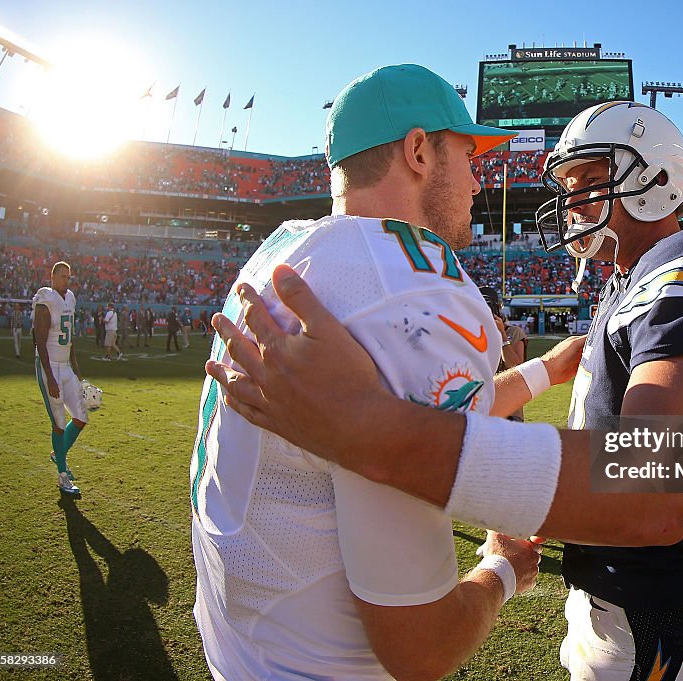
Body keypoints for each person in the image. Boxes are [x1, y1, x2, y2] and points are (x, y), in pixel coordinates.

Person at [206, 101, 683, 681]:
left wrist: (371, 431)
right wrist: (544, 377)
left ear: (658, 180)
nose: (572, 201)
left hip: (653, 583)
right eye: (568, 184)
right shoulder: (626, 280)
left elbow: (654, 490)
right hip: (609, 564)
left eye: (590, 180)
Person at [190, 64, 559, 681]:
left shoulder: (286, 249)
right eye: (468, 155)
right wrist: (500, 569)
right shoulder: (410, 286)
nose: (477, 181)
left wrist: (547, 370)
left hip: (246, 649)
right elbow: (422, 645)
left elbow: (406, 418)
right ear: (419, 150)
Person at [33, 262, 87, 496]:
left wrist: (76, 370)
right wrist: (50, 377)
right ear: (52, 277)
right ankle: (63, 476)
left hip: (65, 366)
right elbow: (40, 341)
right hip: (50, 367)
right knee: (58, 422)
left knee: (81, 415)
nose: (66, 280)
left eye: (69, 276)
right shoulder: (45, 299)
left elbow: (70, 338)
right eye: (62, 276)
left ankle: (59, 453)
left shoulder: (70, 299)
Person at [480, 286, 529, 421]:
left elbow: (516, 367)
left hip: (509, 409)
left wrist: (501, 334)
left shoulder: (513, 333)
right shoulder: (474, 333)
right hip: (482, 407)